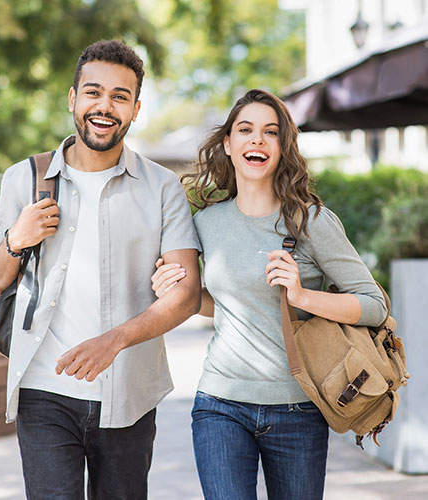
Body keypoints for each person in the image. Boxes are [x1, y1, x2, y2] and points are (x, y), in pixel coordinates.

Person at [0, 39, 201, 500]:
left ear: (136, 109)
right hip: (44, 388)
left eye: (120, 97)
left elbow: (184, 296)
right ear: (73, 98)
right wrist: (15, 240)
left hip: (129, 391)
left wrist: (113, 341)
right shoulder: (23, 179)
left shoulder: (163, 188)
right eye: (94, 92)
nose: (105, 106)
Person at [151, 89, 387, 500]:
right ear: (228, 144)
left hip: (298, 410)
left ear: (282, 148)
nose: (257, 139)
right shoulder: (206, 223)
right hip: (220, 404)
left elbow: (374, 305)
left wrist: (302, 296)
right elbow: (219, 302)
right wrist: (176, 290)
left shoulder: (311, 221)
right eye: (245, 130)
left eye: (270, 132)